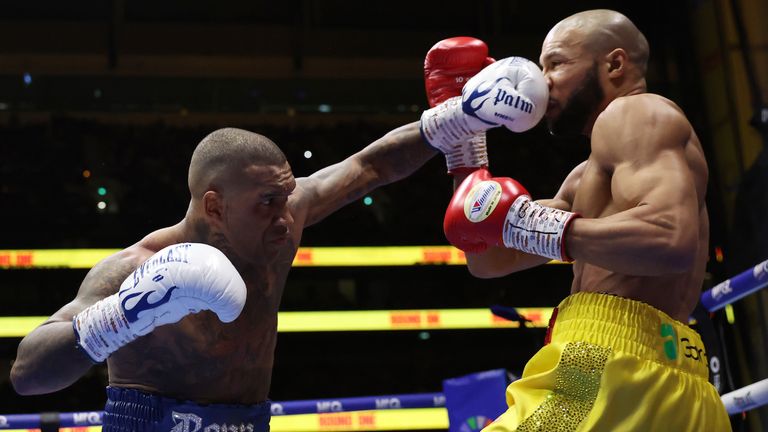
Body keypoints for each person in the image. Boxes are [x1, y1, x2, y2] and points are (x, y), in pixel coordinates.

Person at [10, 118, 444, 430]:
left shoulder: (280, 225)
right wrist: (121, 315)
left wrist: (450, 121)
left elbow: (370, 166)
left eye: (286, 197)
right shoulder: (136, 268)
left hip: (249, 423)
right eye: (268, 201)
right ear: (215, 207)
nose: (286, 219)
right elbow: (26, 374)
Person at [423, 9, 732, 432]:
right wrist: (465, 139)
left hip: (604, 366)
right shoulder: (585, 178)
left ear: (615, 64)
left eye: (557, 63)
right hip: (673, 382)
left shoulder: (636, 114)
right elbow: (488, 258)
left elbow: (669, 238)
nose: (543, 80)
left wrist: (528, 224)